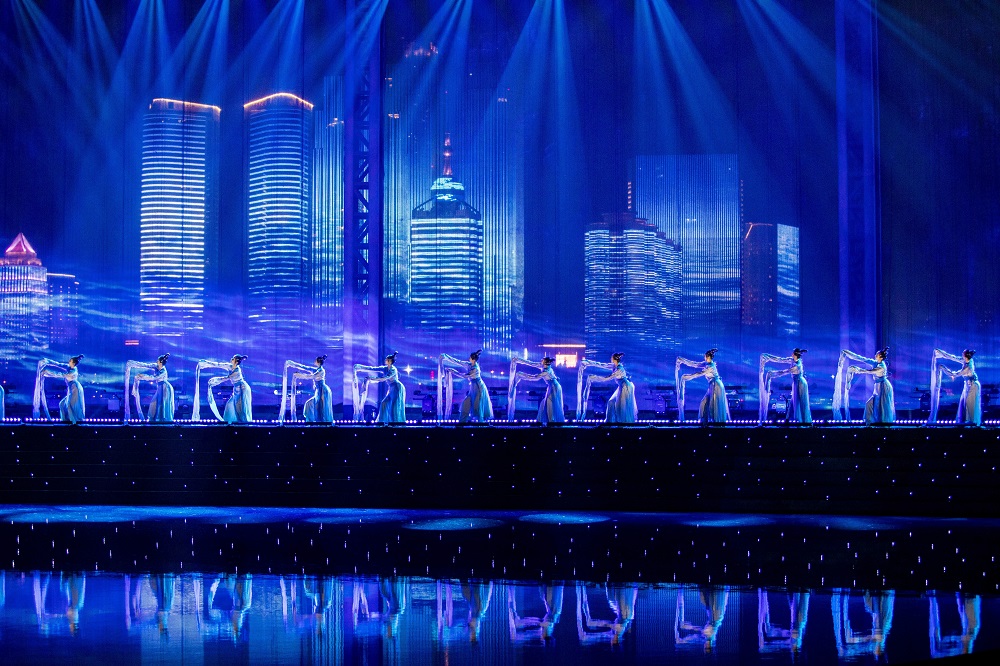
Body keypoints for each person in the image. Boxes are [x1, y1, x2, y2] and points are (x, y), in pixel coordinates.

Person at [681, 349, 730, 424]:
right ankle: (704, 421)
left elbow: (699, 374)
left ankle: (716, 422)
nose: (704, 358)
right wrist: (683, 360)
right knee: (704, 402)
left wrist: (687, 377)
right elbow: (695, 364)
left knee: (713, 405)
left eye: (705, 356)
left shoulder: (710, 367)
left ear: (708, 357)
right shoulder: (707, 364)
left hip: (716, 385)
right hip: (712, 385)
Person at [768, 349, 812, 424]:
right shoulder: (792, 360)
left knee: (801, 402)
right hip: (796, 383)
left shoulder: (797, 366)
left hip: (800, 384)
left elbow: (785, 372)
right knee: (792, 400)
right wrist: (768, 357)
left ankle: (804, 421)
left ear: (795, 355)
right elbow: (781, 359)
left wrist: (773, 374)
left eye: (793, 353)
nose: (791, 354)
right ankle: (787, 419)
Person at [594, 352, 637, 424]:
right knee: (611, 402)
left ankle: (623, 423)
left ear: (614, 359)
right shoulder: (615, 366)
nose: (610, 359)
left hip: (625, 387)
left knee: (621, 406)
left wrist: (596, 378)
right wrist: (591, 363)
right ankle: (610, 422)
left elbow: (609, 377)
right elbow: (604, 365)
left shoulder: (619, 369)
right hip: (621, 386)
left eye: (611, 358)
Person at [209, 354, 252, 424]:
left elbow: (227, 377)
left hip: (242, 388)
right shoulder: (229, 366)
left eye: (233, 359)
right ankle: (228, 422)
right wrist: (206, 363)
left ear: (236, 362)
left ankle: (243, 424)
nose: (231, 359)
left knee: (241, 407)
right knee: (230, 405)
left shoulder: (237, 371)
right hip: (236, 389)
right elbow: (219, 364)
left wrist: (215, 380)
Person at [856, 347, 895, 425]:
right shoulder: (875, 363)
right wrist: (850, 354)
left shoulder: (881, 367)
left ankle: (883, 423)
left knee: (882, 406)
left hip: (883, 386)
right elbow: (864, 359)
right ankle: (869, 422)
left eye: (877, 355)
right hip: (877, 386)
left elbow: (871, 371)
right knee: (869, 404)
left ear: (881, 357)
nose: (875, 355)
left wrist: (859, 370)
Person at [943, 350, 981, 426]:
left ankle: (972, 421)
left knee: (970, 403)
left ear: (965, 356)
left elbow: (959, 373)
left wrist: (947, 371)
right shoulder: (966, 360)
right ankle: (964, 420)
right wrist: (944, 354)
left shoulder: (968, 367)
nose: (961, 355)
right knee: (963, 402)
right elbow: (955, 358)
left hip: (973, 385)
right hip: (968, 385)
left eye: (963, 354)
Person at [366, 352, 407, 424]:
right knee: (384, 403)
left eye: (386, 359)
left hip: (397, 388)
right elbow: (373, 368)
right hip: (391, 388)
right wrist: (360, 367)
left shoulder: (393, 370)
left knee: (394, 407)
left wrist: (371, 378)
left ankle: (395, 423)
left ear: (390, 361)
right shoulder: (385, 368)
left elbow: (384, 378)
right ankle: (381, 421)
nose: (385, 360)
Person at [523, 357, 565, 425]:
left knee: (549, 403)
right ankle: (540, 420)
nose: (541, 361)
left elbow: (535, 378)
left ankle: (551, 421)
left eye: (542, 361)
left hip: (554, 387)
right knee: (544, 403)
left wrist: (524, 376)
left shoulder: (546, 372)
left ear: (545, 362)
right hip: (553, 386)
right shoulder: (548, 368)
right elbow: (533, 364)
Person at [136, 354, 175, 423]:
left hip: (165, 388)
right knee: (154, 403)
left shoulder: (163, 371)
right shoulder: (156, 366)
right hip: (160, 387)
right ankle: (156, 419)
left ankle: (163, 420)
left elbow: (154, 378)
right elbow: (148, 365)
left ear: (160, 362)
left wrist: (143, 376)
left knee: (162, 404)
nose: (156, 361)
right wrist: (137, 365)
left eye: (158, 360)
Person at [459, 350, 493, 423]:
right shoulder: (470, 364)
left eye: (470, 358)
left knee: (478, 407)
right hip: (473, 388)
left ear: (473, 359)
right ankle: (462, 422)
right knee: (466, 403)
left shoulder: (475, 369)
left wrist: (452, 371)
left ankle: (481, 424)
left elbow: (464, 376)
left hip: (479, 388)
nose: (469, 359)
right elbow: (459, 362)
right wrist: (446, 357)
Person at [300, 355, 333, 423]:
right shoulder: (317, 369)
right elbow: (306, 367)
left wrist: (300, 375)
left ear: (318, 362)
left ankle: (322, 422)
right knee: (309, 404)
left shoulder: (321, 371)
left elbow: (312, 376)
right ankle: (310, 421)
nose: (314, 361)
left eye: (315, 360)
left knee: (320, 407)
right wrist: (294, 364)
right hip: (318, 391)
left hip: (322, 391)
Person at [54, 355, 86, 424]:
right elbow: (59, 364)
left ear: (73, 363)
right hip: (71, 389)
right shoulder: (69, 367)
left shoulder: (73, 371)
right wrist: (47, 361)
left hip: (75, 389)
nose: (69, 362)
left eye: (70, 361)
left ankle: (73, 423)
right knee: (62, 404)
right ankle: (65, 420)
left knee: (69, 405)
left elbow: (61, 374)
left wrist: (48, 373)